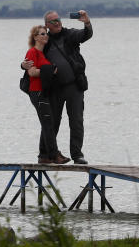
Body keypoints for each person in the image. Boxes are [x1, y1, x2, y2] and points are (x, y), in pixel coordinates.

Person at [23, 10, 92, 165]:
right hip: (54, 88)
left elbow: (86, 35)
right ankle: (45, 154)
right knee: (52, 122)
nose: (57, 22)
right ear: (47, 25)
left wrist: (87, 23)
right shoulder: (45, 41)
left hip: (74, 86)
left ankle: (77, 155)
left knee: (76, 120)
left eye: (58, 19)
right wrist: (22, 65)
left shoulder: (70, 34)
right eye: (53, 21)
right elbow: (31, 57)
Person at [24, 25, 67, 164]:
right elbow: (31, 72)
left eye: (46, 34)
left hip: (45, 92)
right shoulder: (32, 52)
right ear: (35, 37)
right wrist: (50, 71)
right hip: (37, 92)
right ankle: (54, 155)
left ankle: (43, 156)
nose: (45, 36)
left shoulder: (42, 54)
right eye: (42, 34)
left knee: (49, 122)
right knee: (48, 123)